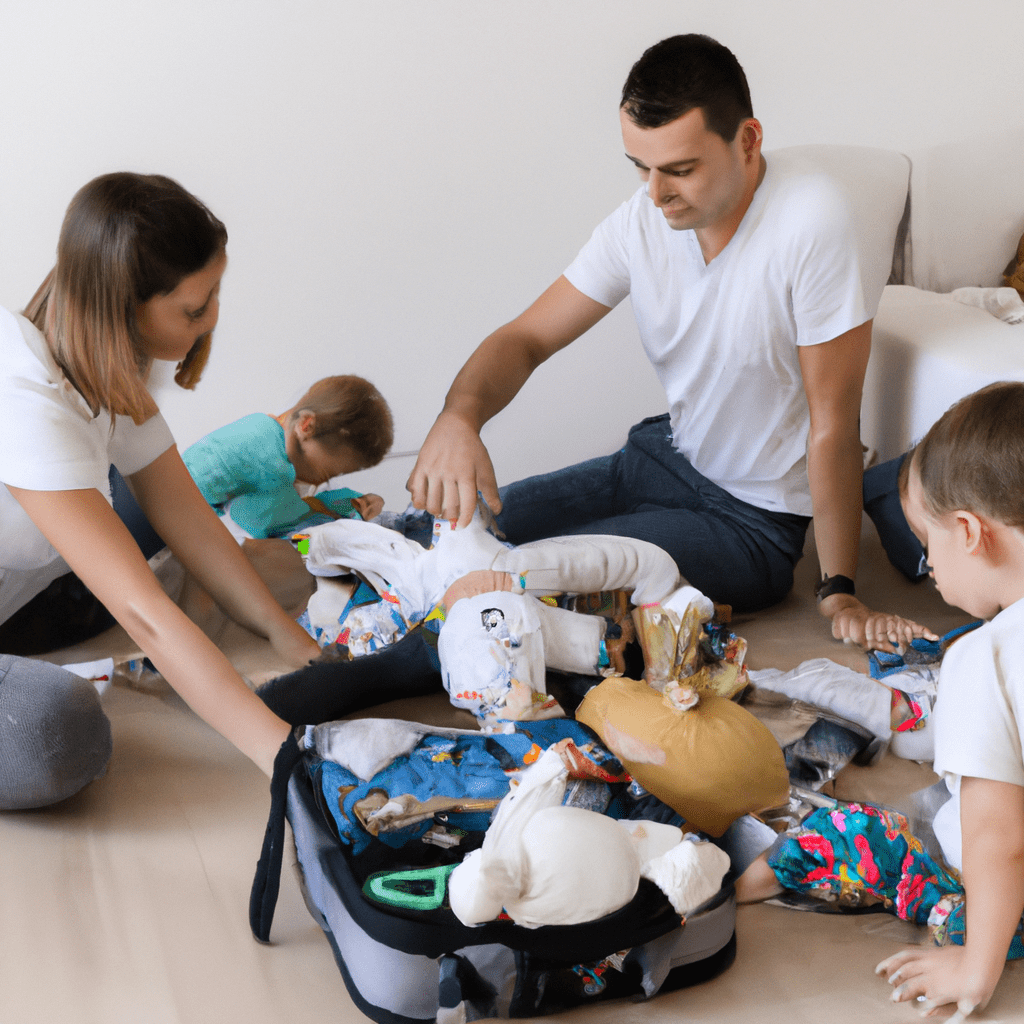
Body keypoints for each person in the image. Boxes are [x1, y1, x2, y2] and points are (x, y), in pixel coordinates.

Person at [406, 33, 932, 652]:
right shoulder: (644, 217)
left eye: (680, 169)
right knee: (437, 533)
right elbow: (526, 337)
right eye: (641, 167)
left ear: (748, 140)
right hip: (664, 457)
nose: (656, 193)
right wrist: (458, 417)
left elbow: (833, 424)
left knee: (500, 578)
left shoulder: (812, 222)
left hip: (750, 525)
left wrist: (838, 586)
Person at [0, 172, 319, 810]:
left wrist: (289, 637)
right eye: (194, 309)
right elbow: (144, 618)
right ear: (121, 306)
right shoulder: (29, 404)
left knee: (202, 542)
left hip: (27, 589)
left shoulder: (99, 360)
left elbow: (185, 512)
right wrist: (286, 759)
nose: (212, 320)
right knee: (57, 733)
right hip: (27, 594)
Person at [734, 381, 1024, 1019]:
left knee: (853, 832)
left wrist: (977, 964)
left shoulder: (986, 659)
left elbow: (998, 836)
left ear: (971, 533)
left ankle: (727, 891)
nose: (930, 570)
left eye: (927, 547)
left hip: (1008, 897)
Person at [182, 374, 393, 539]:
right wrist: (343, 516)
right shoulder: (272, 466)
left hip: (181, 509)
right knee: (307, 545)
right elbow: (280, 528)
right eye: (329, 472)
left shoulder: (261, 426)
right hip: (176, 534)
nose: (324, 480)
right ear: (306, 426)